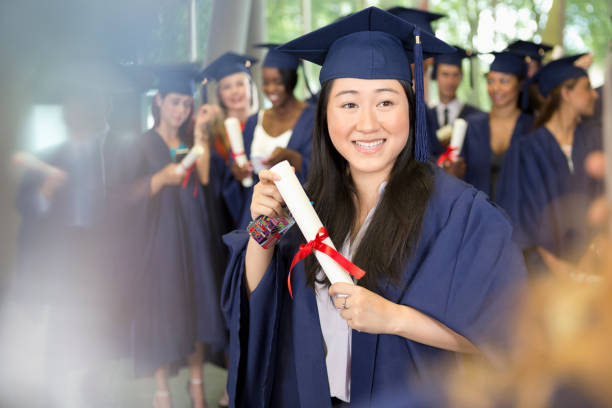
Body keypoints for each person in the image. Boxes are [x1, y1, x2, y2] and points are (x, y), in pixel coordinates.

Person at [221, 7, 527, 407]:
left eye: (385, 102)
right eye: (348, 104)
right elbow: (261, 308)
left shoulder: (460, 213)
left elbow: (506, 334)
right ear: (325, 115)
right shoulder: (308, 202)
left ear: (411, 108)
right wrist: (263, 230)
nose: (367, 124)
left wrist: (395, 319)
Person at [107, 64, 227, 408]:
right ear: (158, 101)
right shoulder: (141, 145)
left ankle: (196, 385)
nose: (180, 111)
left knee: (198, 306)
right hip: (159, 242)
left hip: (193, 237)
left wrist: (202, 131)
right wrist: (158, 180)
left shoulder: (190, 142)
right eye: (174, 103)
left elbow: (204, 180)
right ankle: (162, 390)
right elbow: (118, 196)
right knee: (161, 311)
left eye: (186, 105)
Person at [496, 55, 603, 276]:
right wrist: (560, 270)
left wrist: (590, 258)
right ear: (566, 93)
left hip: (596, 268)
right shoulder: (525, 150)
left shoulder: (595, 141)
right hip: (544, 278)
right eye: (587, 87)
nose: (595, 94)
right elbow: (517, 220)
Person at [222, 43, 315, 228]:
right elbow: (239, 176)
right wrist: (239, 173)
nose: (270, 88)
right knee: (255, 255)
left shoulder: (314, 118)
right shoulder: (254, 121)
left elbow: (325, 170)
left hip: (296, 221)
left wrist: (293, 159)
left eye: (278, 82)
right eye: (265, 82)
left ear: (292, 81)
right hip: (257, 216)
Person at [457, 51, 534, 199]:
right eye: (491, 81)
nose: (495, 88)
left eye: (504, 81)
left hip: (519, 219)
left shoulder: (532, 127)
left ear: (520, 84)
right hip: (477, 217)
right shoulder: (472, 126)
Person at [199, 52, 259, 162]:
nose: (234, 91)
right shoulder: (215, 133)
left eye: (240, 84)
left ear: (250, 87)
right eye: (227, 87)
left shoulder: (262, 122)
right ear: (219, 94)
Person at [427, 46, 483, 158]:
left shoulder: (474, 116)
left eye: (455, 75)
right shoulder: (425, 116)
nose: (450, 81)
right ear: (435, 76)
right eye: (445, 74)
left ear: (461, 77)